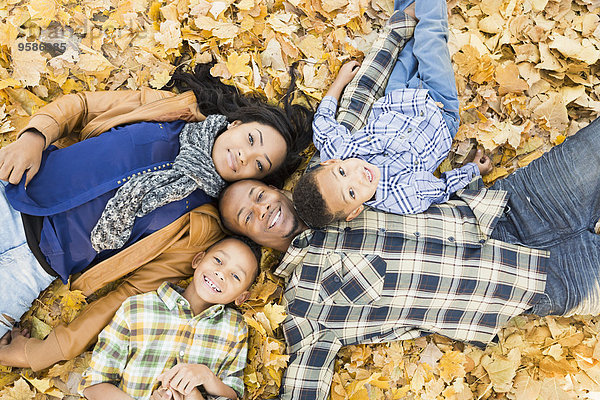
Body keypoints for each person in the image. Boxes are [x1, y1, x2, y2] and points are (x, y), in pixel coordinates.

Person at [217, 5, 600, 400]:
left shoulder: (329, 173)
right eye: (248, 217)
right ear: (253, 241)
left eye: (258, 195)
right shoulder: (304, 305)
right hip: (525, 286)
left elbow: (360, 98)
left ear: (276, 188)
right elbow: (302, 387)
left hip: (513, 204)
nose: (262, 209)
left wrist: (399, 29)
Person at [0, 63, 311, 371]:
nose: (246, 155)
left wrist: (46, 353)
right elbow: (81, 106)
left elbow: (128, 294)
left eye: (259, 164)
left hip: (32, 267)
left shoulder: (199, 228)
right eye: (252, 139)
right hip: (13, 190)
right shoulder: (171, 109)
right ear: (236, 124)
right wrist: (35, 135)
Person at [292, 2, 491, 229]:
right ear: (355, 211)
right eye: (351, 192)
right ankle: (432, 7)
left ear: (332, 162)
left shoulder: (340, 150)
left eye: (342, 172)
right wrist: (474, 170)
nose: (357, 176)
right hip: (439, 111)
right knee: (430, 40)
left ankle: (425, 8)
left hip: (396, 96)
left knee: (409, 45)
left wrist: (339, 82)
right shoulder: (401, 197)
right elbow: (443, 188)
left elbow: (323, 122)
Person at [79, 237, 260, 400]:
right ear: (198, 260)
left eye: (235, 276)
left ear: (241, 298)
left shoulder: (235, 328)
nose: (221, 273)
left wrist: (206, 377)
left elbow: (233, 393)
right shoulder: (137, 308)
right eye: (218, 261)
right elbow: (93, 384)